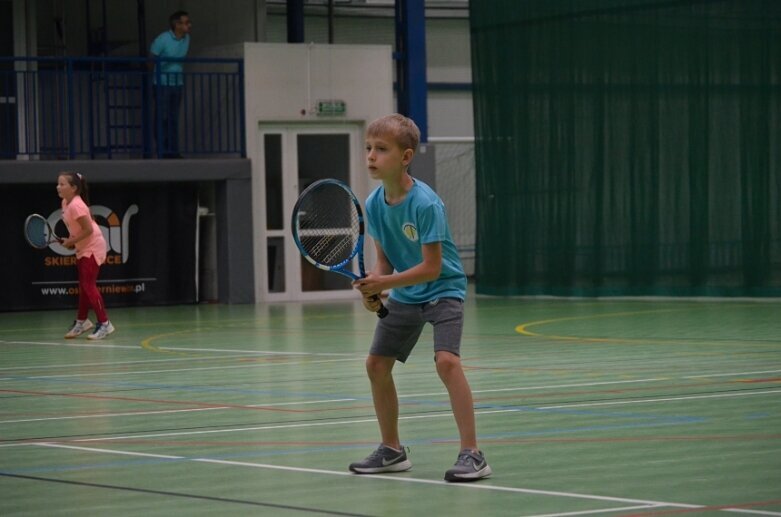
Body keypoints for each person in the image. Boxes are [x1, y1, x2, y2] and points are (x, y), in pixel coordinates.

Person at [349, 114, 492, 482]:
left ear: (406, 156)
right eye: (368, 148)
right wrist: (377, 288)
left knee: (446, 362)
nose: (371, 156)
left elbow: (432, 267)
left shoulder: (426, 204)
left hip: (443, 289)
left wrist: (386, 280)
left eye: (381, 149)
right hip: (407, 295)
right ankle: (392, 450)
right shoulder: (375, 203)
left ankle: (472, 454)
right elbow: (386, 259)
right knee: (376, 365)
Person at [57, 171, 115, 340]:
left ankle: (105, 324)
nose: (58, 187)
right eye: (58, 183)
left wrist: (71, 241)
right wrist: (71, 241)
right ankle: (82, 321)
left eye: (62, 184)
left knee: (88, 285)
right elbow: (79, 229)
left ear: (74, 188)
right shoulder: (65, 203)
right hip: (83, 246)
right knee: (84, 286)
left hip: (93, 246)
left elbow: (89, 230)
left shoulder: (77, 205)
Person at [150, 10, 191, 158]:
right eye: (186, 22)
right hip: (162, 83)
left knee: (173, 118)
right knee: (162, 117)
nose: (189, 25)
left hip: (177, 83)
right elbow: (152, 57)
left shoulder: (187, 39)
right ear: (177, 24)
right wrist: (156, 75)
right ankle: (162, 149)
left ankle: (173, 151)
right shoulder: (163, 39)